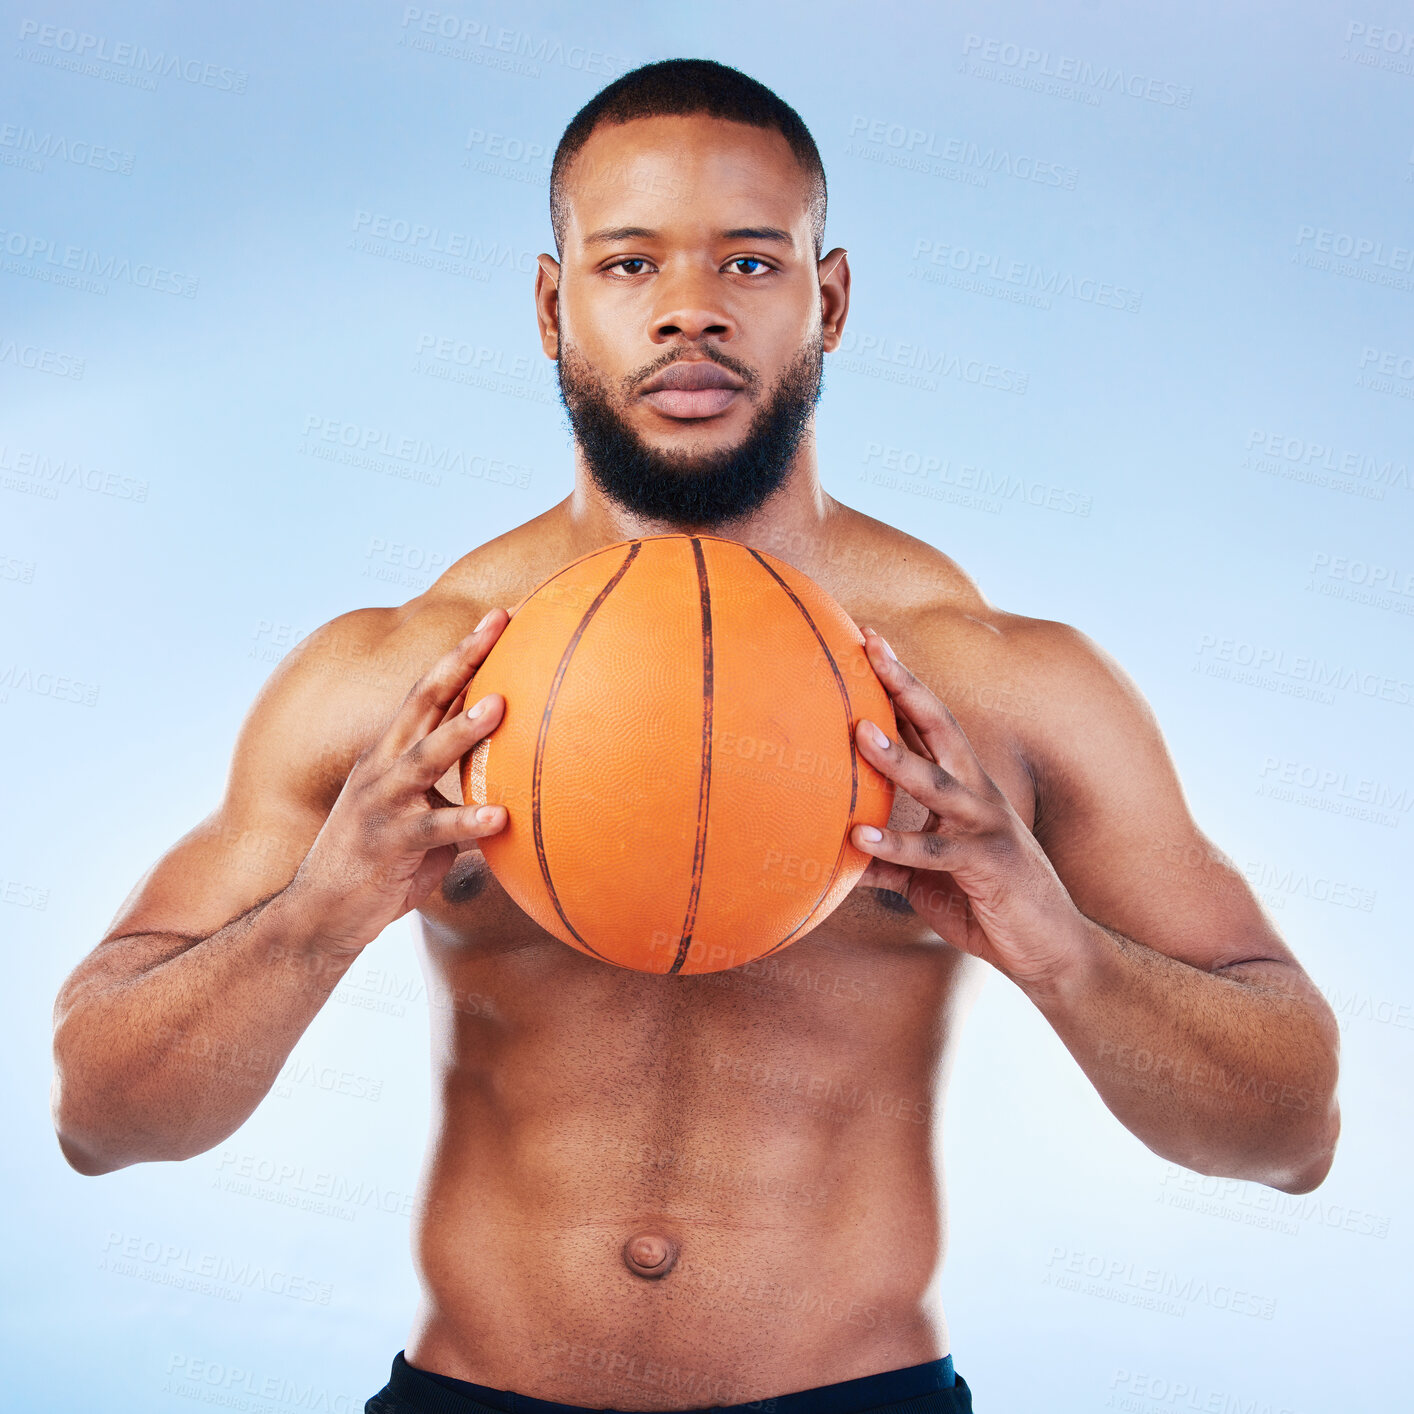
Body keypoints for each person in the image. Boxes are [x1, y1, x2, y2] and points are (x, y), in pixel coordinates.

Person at [50, 58, 1341, 1414]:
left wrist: (1055, 941)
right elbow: (99, 1118)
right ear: (552, 307)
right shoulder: (406, 679)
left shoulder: (991, 687)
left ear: (825, 298)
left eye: (746, 262)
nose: (687, 312)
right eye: (626, 266)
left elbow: (1288, 1134)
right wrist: (321, 911)